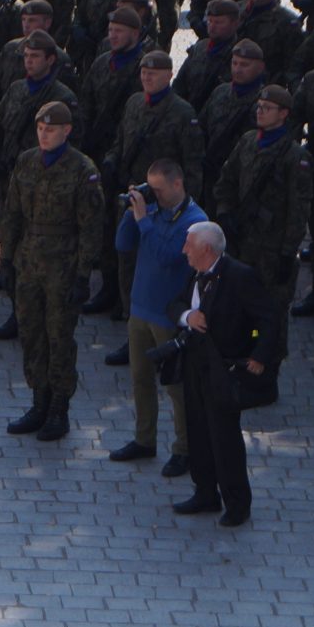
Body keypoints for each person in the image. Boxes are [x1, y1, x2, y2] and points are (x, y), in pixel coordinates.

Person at [2, 100, 106, 442]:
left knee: (58, 337)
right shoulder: (27, 161)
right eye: (41, 129)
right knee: (31, 334)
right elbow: (13, 212)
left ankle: (59, 407)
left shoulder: (82, 170)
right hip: (29, 259)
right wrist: (7, 259)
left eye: (51, 130)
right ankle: (38, 401)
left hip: (63, 263)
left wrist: (82, 274)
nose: (44, 135)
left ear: (67, 131)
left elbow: (91, 227)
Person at [176, 220, 274, 526]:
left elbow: (268, 318)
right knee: (197, 429)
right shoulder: (194, 274)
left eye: (189, 245)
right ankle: (205, 491)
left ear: (206, 248)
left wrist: (259, 356)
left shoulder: (240, 276)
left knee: (224, 436)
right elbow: (174, 304)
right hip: (194, 363)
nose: (184, 251)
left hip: (223, 366)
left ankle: (237, 502)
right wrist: (186, 316)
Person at [115, 158, 206, 472]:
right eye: (148, 189)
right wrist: (131, 214)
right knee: (140, 379)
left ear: (177, 184)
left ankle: (185, 448)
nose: (153, 196)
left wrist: (143, 221)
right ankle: (144, 438)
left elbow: (168, 258)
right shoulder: (150, 213)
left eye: (158, 189)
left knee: (175, 386)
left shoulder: (194, 221)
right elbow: (122, 244)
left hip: (169, 316)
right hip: (141, 309)